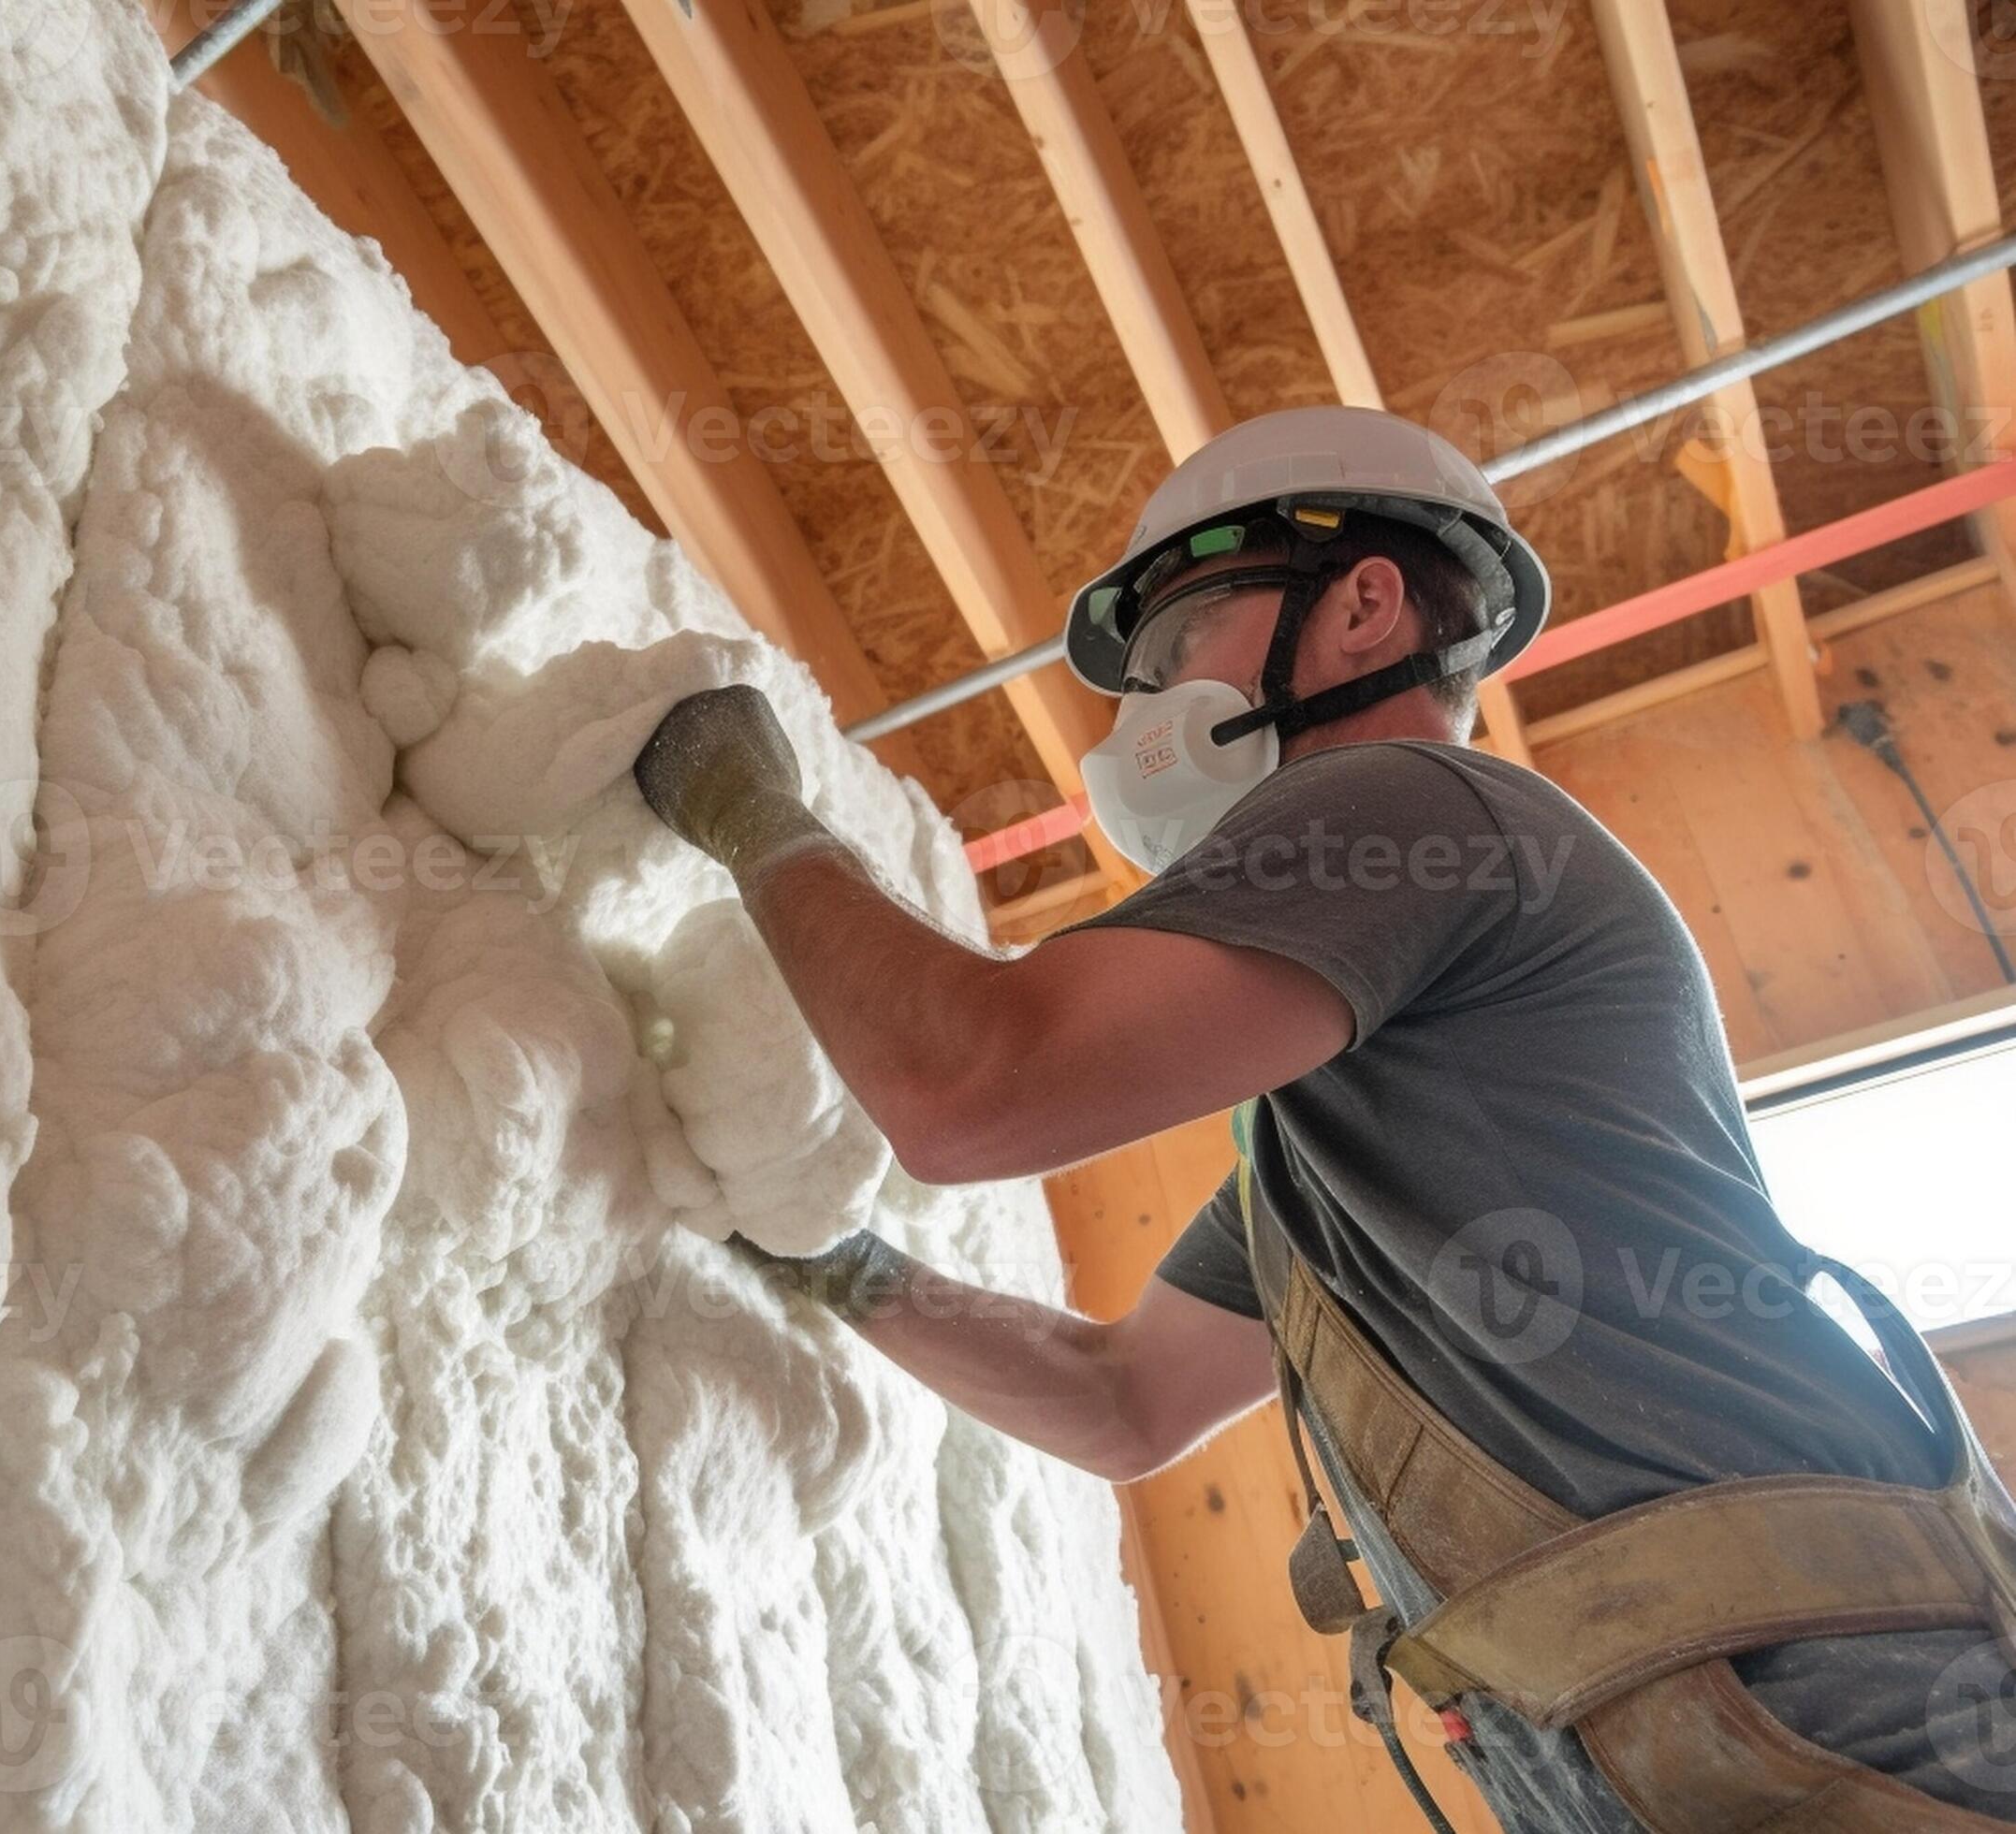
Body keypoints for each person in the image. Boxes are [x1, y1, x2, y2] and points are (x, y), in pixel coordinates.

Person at [631, 405, 2016, 1833]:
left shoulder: (1415, 806)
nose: (1149, 710)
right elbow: (1126, 1401)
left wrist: (755, 815)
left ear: (1361, 604)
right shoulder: (1349, 1158)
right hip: (1732, 1725)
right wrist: (826, 1256)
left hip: (1831, 1707)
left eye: (1176, 651)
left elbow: (975, 1089)